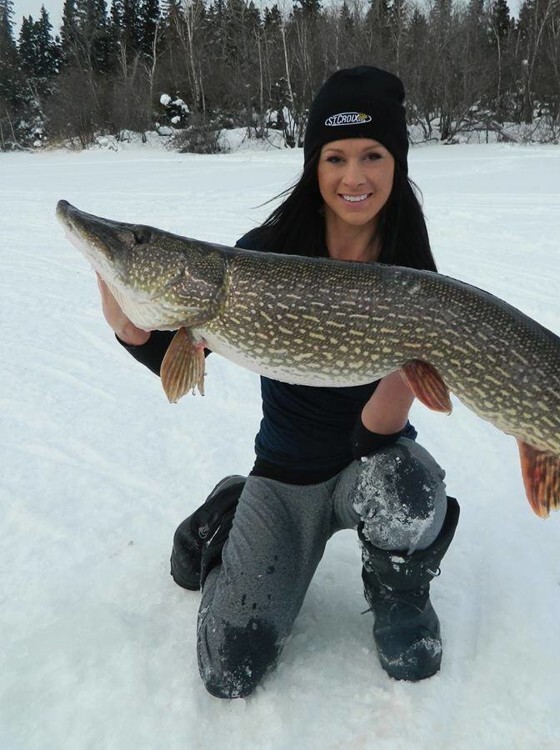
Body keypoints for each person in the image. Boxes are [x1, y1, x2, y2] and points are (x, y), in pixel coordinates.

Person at [97, 66, 460, 699]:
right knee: (229, 671)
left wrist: (410, 373)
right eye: (336, 157)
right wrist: (132, 330)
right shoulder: (255, 258)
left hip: (363, 461)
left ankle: (399, 593)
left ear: (396, 163)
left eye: (373, 155)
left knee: (409, 484)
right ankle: (230, 514)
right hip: (287, 476)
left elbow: (378, 435)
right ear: (313, 166)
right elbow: (180, 358)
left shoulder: (413, 277)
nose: (355, 177)